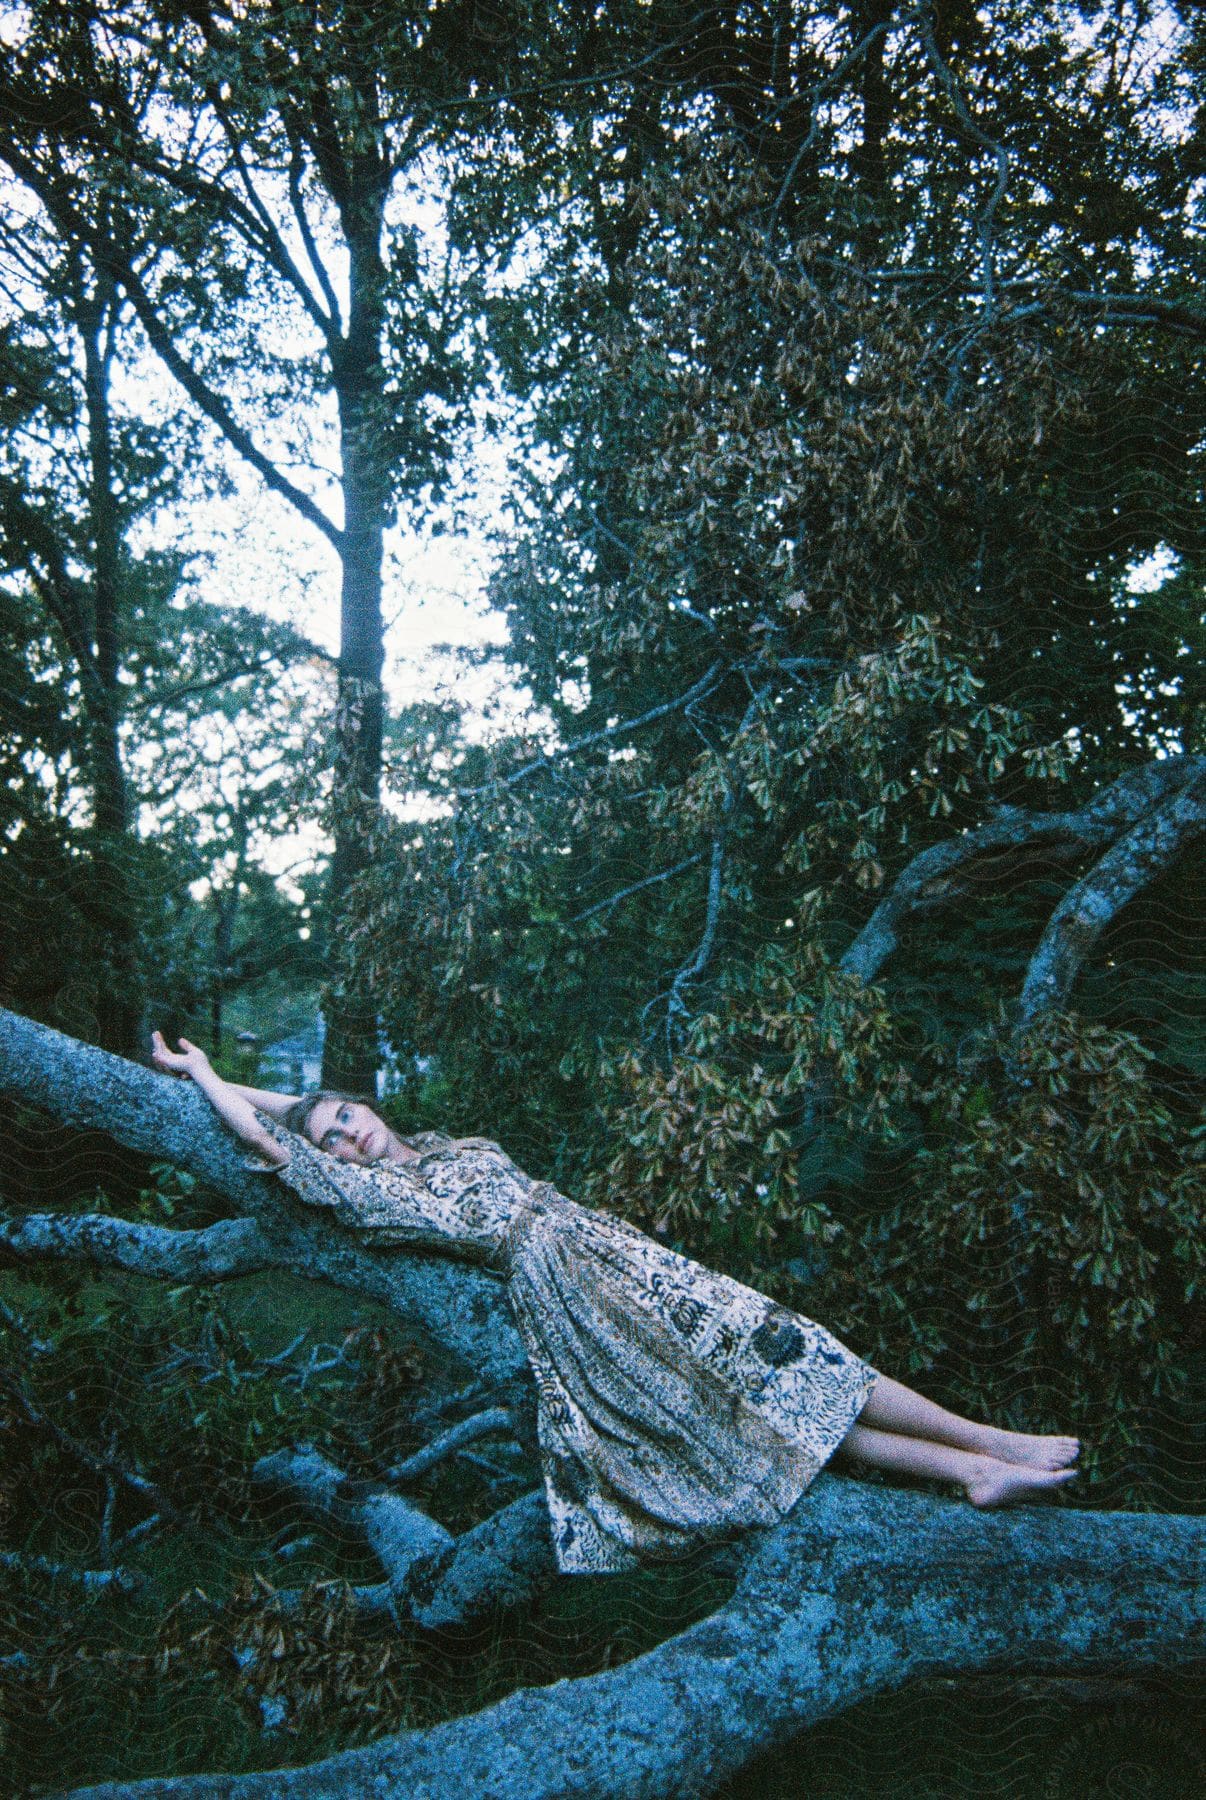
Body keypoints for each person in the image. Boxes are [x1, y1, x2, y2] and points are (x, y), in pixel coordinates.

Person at [150, 1032, 1079, 1575]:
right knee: (759, 1403)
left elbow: (301, 1103)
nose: (350, 1134)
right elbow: (279, 1141)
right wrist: (198, 1076)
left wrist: (255, 1079)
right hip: (576, 1292)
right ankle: (974, 1465)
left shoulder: (426, 1144)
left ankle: (987, 1446)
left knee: (792, 1357)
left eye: (349, 1115)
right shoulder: (371, 1195)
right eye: (336, 1141)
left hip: (615, 1253)